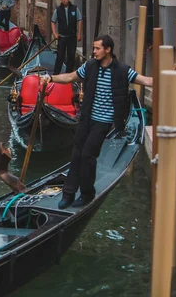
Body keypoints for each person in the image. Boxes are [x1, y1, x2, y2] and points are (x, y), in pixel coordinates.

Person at [41, 35, 152, 209]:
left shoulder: (123, 70)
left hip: (104, 121)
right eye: (93, 48)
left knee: (88, 155)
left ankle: (87, 194)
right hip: (87, 118)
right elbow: (70, 77)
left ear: (108, 50)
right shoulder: (90, 66)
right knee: (77, 154)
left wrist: (168, 76)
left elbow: (145, 80)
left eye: (97, 48)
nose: (94, 51)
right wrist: (51, 78)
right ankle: (68, 194)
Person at [51, 0, 83, 75]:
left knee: (71, 56)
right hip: (62, 37)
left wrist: (79, 34)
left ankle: (68, 75)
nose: (64, 0)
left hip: (72, 37)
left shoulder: (75, 9)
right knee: (60, 56)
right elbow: (53, 22)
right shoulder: (58, 10)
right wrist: (55, 33)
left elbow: (79, 20)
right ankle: (56, 74)